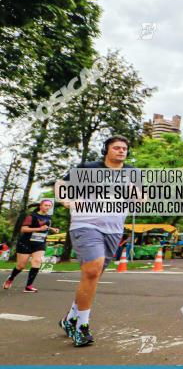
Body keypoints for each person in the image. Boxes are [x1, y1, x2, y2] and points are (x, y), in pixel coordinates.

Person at [55, 136, 135, 347]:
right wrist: (66, 200)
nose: (121, 151)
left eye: (124, 148)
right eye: (116, 147)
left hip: (114, 229)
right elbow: (61, 183)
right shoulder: (88, 168)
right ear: (106, 150)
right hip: (85, 224)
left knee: (94, 275)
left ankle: (69, 319)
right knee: (93, 269)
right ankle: (82, 327)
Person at [4, 199, 58, 293]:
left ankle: (28, 286)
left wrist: (52, 229)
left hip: (39, 243)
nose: (48, 207)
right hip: (25, 243)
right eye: (46, 205)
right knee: (21, 266)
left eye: (49, 206)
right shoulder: (31, 216)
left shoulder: (49, 218)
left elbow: (45, 229)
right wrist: (39, 228)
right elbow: (23, 229)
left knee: (37, 261)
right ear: (40, 206)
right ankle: (11, 278)